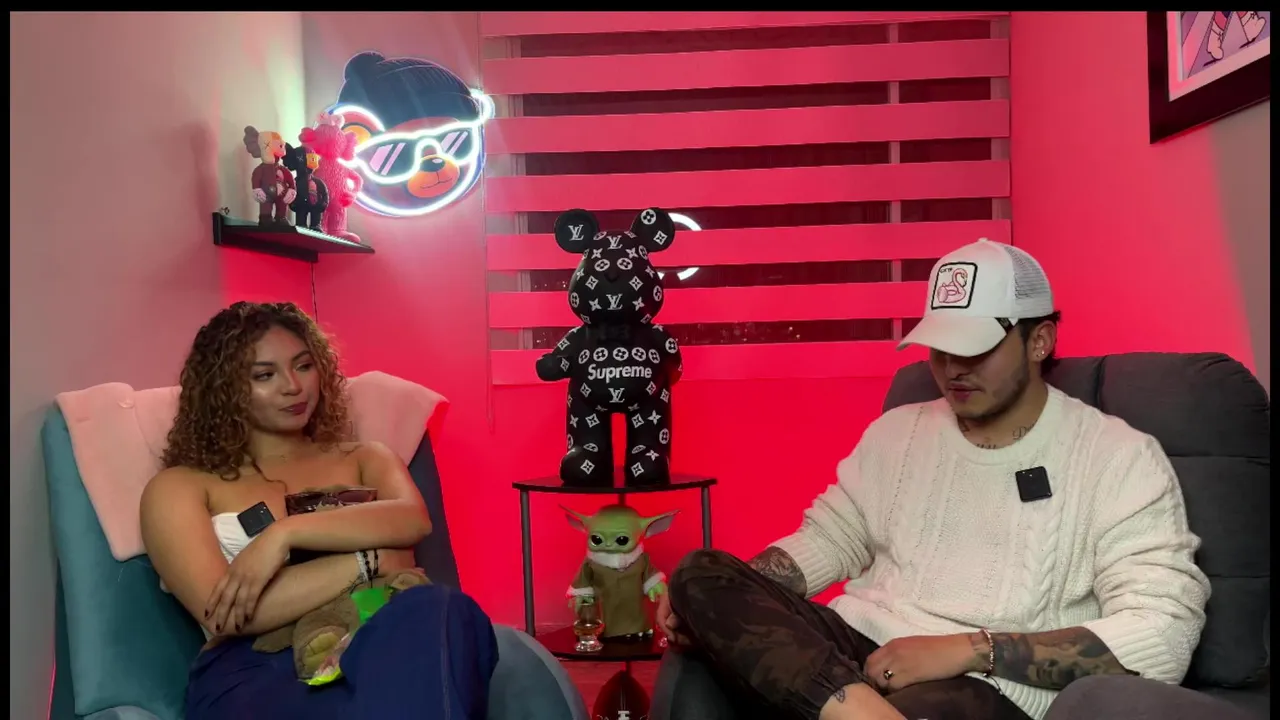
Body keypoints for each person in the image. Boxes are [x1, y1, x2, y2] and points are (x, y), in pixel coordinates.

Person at [657, 240, 1211, 720]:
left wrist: (968, 649)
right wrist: (718, 598)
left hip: (987, 683)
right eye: (940, 347)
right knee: (700, 573)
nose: (952, 368)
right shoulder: (899, 433)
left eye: (975, 348)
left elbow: (1163, 634)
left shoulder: (1118, 458)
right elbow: (830, 540)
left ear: (1039, 341)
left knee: (936, 707)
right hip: (857, 654)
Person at [140, 301, 498, 719]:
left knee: (443, 608)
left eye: (304, 366)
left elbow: (412, 520)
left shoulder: (366, 457)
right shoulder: (180, 486)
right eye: (264, 375)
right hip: (255, 665)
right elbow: (226, 614)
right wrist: (371, 559)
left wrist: (283, 535)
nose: (293, 386)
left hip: (372, 636)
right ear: (224, 390)